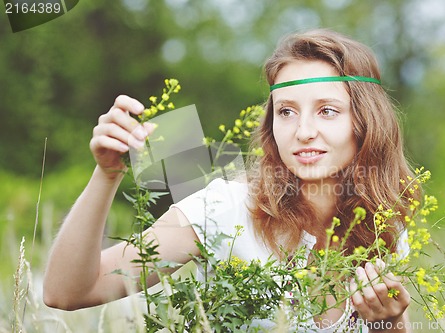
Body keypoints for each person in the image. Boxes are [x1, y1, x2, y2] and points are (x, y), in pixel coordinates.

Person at [44, 29, 417, 332]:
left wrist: (390, 324)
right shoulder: (226, 208)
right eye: (286, 111)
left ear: (366, 123)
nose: (303, 131)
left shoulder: (385, 226)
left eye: (327, 111)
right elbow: (68, 292)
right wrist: (107, 174)